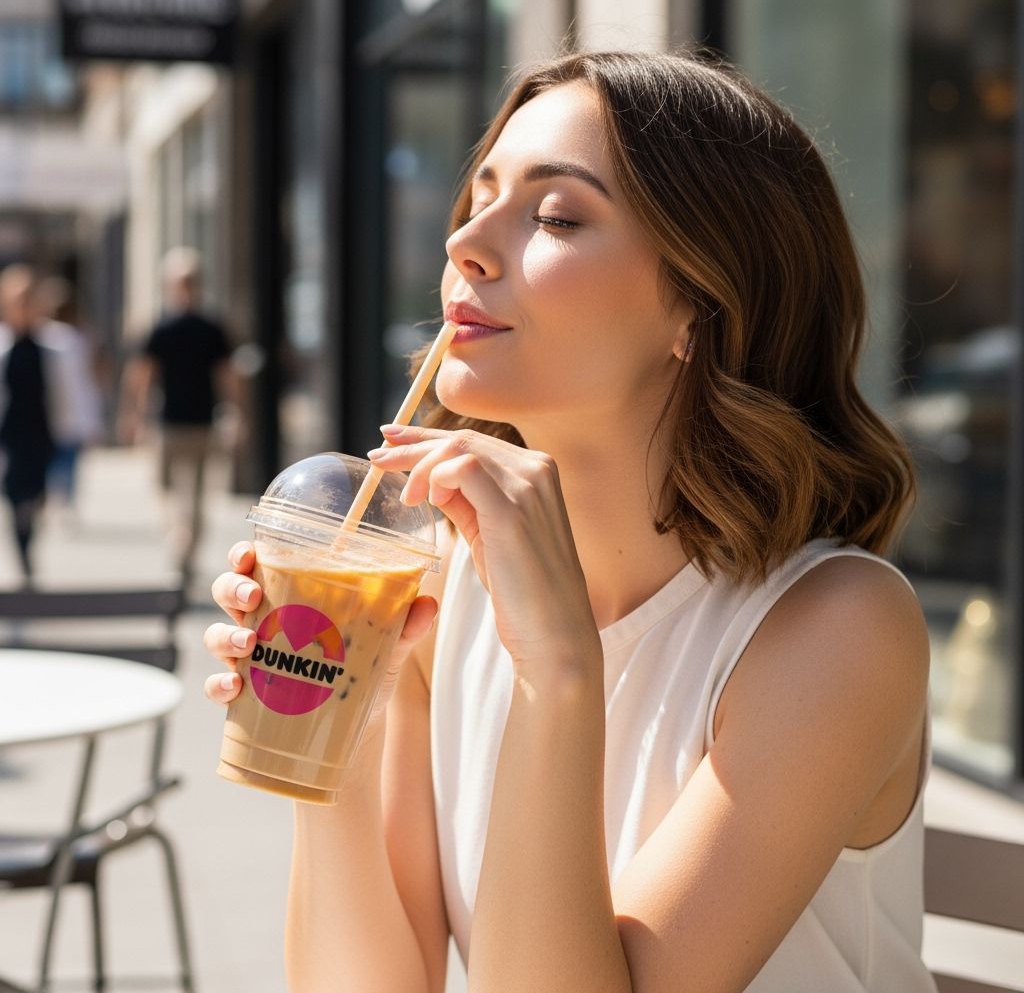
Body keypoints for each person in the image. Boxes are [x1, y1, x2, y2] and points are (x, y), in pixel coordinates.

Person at [204, 51, 936, 992]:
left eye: (556, 215)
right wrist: (331, 730)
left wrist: (558, 672)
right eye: (480, 197)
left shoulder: (838, 630)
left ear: (702, 307)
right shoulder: (435, 581)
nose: (463, 244)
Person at [120, 247, 237, 582]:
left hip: (203, 424)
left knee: (199, 497)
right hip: (168, 424)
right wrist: (134, 415)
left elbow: (227, 374)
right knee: (167, 491)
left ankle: (186, 554)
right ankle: (178, 541)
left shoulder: (212, 328)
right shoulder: (160, 328)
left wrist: (235, 414)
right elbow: (141, 374)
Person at [0, 265, 57, 581]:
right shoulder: (4, 345)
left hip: (41, 433)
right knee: (14, 494)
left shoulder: (51, 344)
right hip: (9, 435)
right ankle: (23, 557)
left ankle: (28, 543)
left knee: (36, 496)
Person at [36, 275, 104, 517]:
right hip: (71, 408)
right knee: (68, 459)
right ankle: (64, 499)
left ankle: (58, 497)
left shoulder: (51, 337)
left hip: (57, 409)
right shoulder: (76, 337)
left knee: (59, 458)